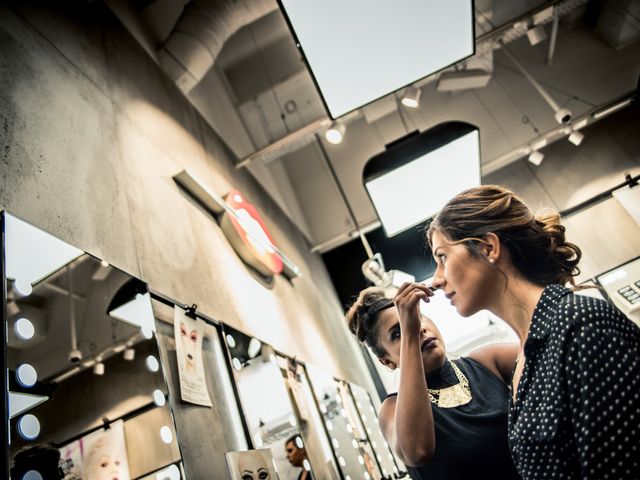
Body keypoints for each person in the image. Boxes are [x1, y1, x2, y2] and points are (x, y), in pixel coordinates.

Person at [426, 184, 640, 479]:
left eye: (442, 257)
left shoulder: (581, 325)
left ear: (489, 248)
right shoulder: (526, 357)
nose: (436, 280)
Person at [346, 287, 520, 479]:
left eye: (419, 317)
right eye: (398, 333)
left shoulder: (487, 361)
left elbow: (550, 350)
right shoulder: (392, 410)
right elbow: (418, 451)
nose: (418, 328)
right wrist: (410, 332)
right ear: (387, 361)